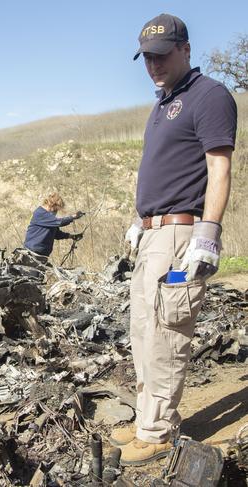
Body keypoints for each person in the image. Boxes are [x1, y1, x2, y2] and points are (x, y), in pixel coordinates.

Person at [114, 13, 237, 466]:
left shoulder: (209, 96)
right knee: (144, 334)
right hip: (152, 235)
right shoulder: (163, 103)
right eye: (147, 57)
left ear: (185, 49)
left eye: (162, 55)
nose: (154, 64)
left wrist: (209, 231)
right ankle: (150, 417)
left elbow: (218, 167)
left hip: (183, 235)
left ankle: (158, 431)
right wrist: (139, 218)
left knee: (168, 333)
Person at [23, 192, 84, 260]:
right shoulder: (40, 213)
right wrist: (74, 217)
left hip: (42, 255)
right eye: (56, 209)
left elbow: (57, 234)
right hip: (31, 254)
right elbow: (59, 222)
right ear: (51, 205)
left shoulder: (50, 219)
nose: (56, 212)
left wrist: (72, 236)